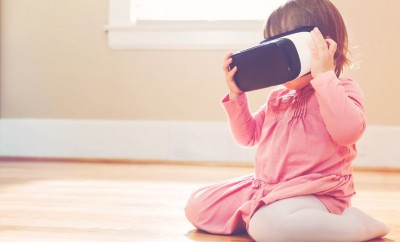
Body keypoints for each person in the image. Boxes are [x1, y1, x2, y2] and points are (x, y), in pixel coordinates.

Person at [185, 0, 390, 241]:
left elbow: (348, 133)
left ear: (325, 46)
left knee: (269, 226)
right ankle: (262, 215)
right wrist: (237, 96)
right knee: (197, 205)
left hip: (316, 193)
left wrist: (323, 77)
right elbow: (247, 137)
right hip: (267, 186)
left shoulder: (341, 88)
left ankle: (358, 226)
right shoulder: (278, 98)